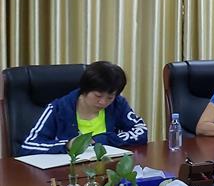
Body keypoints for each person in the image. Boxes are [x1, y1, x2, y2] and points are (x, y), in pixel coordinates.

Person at [19, 61, 148, 156]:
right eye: (98, 95)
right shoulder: (59, 108)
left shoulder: (118, 104)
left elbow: (141, 131)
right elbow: (28, 145)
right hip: (69, 174)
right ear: (85, 89)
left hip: (109, 170)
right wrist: (67, 145)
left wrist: (104, 139)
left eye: (110, 97)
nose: (103, 102)